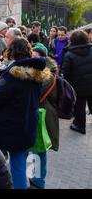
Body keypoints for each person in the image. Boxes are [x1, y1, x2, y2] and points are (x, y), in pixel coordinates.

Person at [0, 38, 49, 189]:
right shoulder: (36, 73)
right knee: (18, 163)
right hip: (27, 125)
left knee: (14, 168)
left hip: (10, 128)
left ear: (11, 52)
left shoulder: (12, 76)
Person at [29, 48, 60, 189]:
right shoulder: (40, 72)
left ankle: (38, 182)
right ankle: (32, 179)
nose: (31, 59)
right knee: (33, 148)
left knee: (39, 149)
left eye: (34, 56)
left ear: (42, 58)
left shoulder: (47, 75)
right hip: (38, 113)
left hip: (43, 115)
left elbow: (35, 94)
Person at [62, 30, 92, 135]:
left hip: (78, 86)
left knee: (80, 106)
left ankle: (80, 126)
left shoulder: (69, 54)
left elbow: (65, 72)